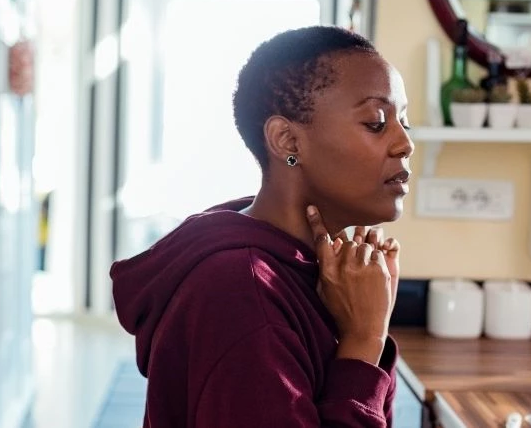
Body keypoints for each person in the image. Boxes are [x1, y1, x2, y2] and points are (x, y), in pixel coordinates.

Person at [109, 26, 414, 427]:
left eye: (404, 121)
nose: (404, 143)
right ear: (288, 141)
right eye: (376, 122)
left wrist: (367, 325)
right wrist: (364, 340)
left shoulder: (318, 272)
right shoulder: (242, 291)